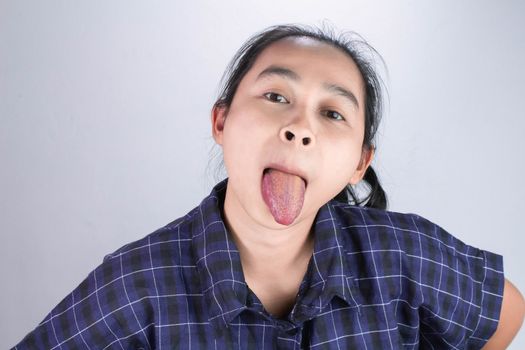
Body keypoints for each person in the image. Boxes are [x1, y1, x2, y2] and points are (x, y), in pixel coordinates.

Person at [12, 24, 525, 349]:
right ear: (221, 121)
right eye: (277, 96)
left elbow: (505, 310)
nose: (300, 127)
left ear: (359, 164)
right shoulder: (135, 286)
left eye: (332, 112)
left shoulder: (404, 253)